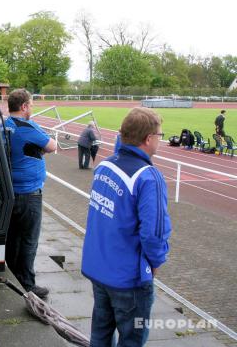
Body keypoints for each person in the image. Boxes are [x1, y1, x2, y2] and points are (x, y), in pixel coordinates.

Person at [81, 107, 172, 347]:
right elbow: (154, 233)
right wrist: (156, 262)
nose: (161, 140)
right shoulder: (149, 177)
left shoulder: (104, 166)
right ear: (149, 138)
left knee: (99, 335)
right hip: (128, 279)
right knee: (132, 340)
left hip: (98, 268)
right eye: (160, 135)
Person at [4, 89, 57, 298]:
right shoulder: (27, 127)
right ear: (24, 106)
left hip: (11, 190)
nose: (32, 109)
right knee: (28, 239)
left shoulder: (4, 125)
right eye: (32, 105)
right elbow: (52, 146)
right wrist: (39, 149)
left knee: (13, 238)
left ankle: (13, 276)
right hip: (28, 193)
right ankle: (27, 284)